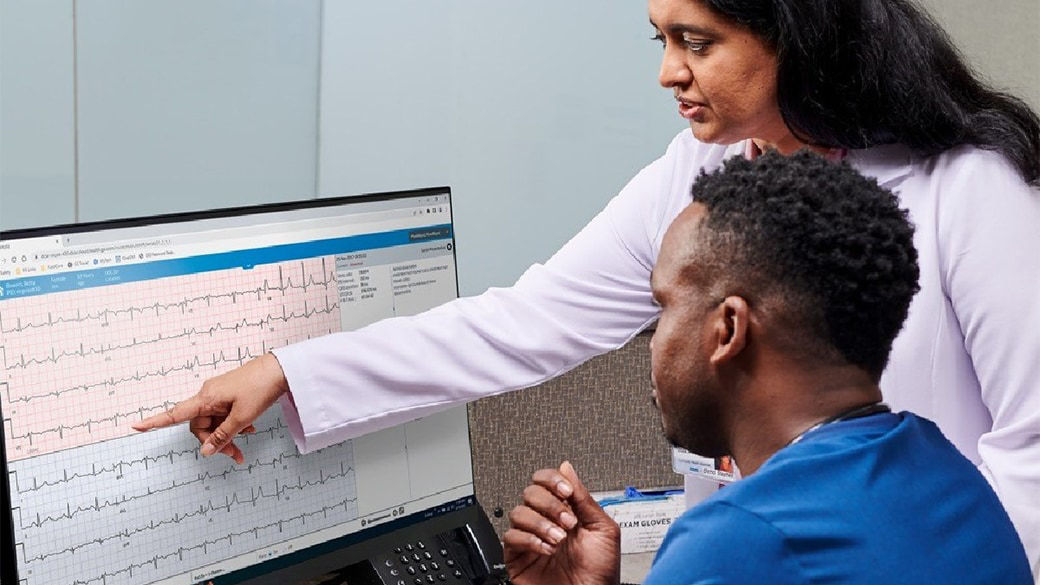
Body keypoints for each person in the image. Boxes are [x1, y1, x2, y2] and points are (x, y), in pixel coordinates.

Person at [134, 0, 1040, 572]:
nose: (668, 71)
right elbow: (527, 321)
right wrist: (292, 369)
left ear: (796, 34)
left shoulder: (969, 186)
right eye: (661, 38)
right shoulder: (701, 169)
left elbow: (1031, 452)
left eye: (697, 41)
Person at [503, 151, 1032, 585]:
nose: (655, 342)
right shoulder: (949, 477)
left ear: (728, 329)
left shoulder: (738, 541)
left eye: (665, 307)